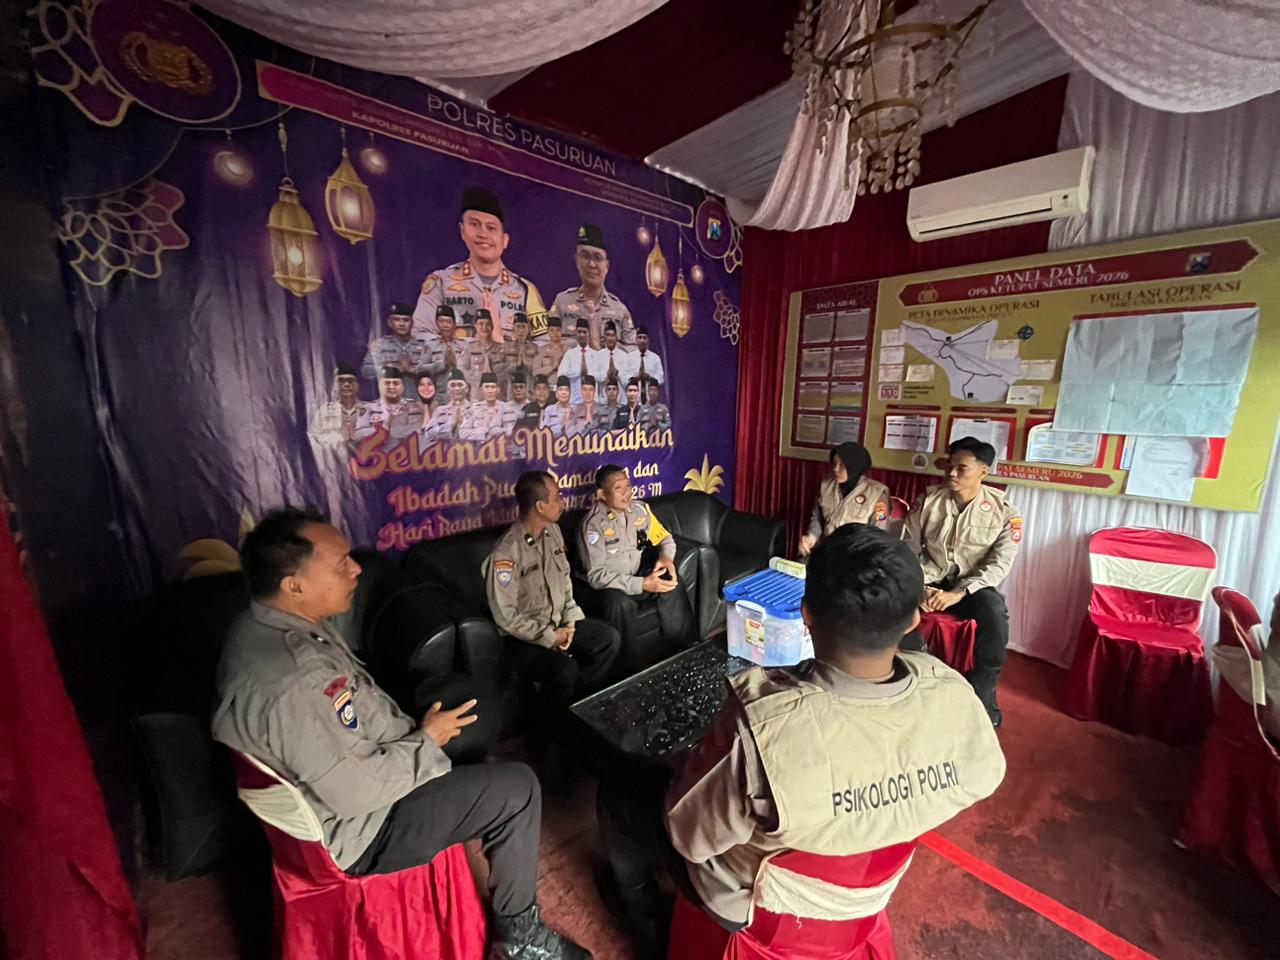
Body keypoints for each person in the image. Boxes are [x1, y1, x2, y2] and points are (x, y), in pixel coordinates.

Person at [597, 525, 1006, 956]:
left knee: (620, 784)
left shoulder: (762, 728)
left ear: (805, 614)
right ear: (913, 620)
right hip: (869, 893)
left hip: (758, 903)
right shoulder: (954, 694)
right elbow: (983, 774)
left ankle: (642, 917)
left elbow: (691, 839)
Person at [211, 511, 590, 959]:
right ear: (294, 585)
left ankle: (472, 801)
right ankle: (522, 940)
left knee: (470, 712)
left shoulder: (261, 623)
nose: (357, 569)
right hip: (365, 829)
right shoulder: (296, 680)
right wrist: (426, 741)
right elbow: (355, 793)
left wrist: (421, 735)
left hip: (360, 770)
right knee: (518, 788)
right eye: (341, 563)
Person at [902, 436, 1022, 727]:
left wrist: (958, 593)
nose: (952, 473)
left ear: (983, 471)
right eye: (949, 466)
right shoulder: (928, 500)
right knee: (892, 601)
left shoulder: (1005, 511)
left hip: (971, 586)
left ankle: (984, 689)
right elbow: (908, 549)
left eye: (961, 468)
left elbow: (999, 564)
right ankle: (923, 668)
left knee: (995, 612)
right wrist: (919, 586)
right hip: (929, 577)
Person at [484, 472, 621, 715]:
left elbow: (565, 582)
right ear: (540, 506)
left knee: (608, 639)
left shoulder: (553, 532)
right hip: (523, 638)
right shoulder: (506, 553)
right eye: (557, 497)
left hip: (558, 623)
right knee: (564, 669)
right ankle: (549, 724)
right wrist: (549, 637)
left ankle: (578, 708)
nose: (562, 502)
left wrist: (570, 622)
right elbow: (506, 617)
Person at [581, 464, 695, 666]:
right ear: (602, 494)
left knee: (669, 581)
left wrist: (666, 557)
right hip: (608, 588)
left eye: (628, 485)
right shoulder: (593, 525)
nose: (627, 492)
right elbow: (596, 575)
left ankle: (683, 648)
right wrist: (641, 584)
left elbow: (665, 539)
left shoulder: (640, 510)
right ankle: (627, 667)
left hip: (637, 576)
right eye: (618, 488)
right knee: (619, 603)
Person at [412, 186, 545, 343]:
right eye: (474, 224)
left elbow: (545, 345)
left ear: (504, 240)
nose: (483, 234)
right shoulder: (441, 282)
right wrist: (473, 346)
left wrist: (501, 343)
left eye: (491, 228)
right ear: (463, 231)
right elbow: (419, 337)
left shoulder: (525, 290)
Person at [549, 223, 636, 349]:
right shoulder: (562, 302)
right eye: (585, 256)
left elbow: (633, 352)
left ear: (607, 266)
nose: (591, 264)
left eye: (597, 258)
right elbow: (546, 344)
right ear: (577, 261)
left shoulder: (620, 310)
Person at [799, 442, 890, 557]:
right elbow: (817, 516)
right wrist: (811, 536)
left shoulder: (877, 495)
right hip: (827, 550)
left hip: (855, 555)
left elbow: (879, 533)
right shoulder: (826, 486)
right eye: (834, 463)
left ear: (855, 467)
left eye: (842, 465)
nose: (835, 469)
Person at [362, 303, 429, 381]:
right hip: (389, 388)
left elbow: (432, 371)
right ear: (389, 322)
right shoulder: (380, 345)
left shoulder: (423, 346)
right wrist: (392, 369)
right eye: (397, 319)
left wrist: (412, 369)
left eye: (406, 320)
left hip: (415, 388)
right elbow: (366, 370)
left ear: (412, 323)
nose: (401, 324)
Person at [354, 365, 422, 442]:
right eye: (387, 383)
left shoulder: (412, 407)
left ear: (403, 386)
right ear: (380, 386)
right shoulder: (368, 408)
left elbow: (417, 433)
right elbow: (359, 435)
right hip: (378, 448)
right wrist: (384, 427)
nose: (391, 386)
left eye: (396, 383)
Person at [308, 364, 366, 445]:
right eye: (341, 381)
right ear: (335, 386)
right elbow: (313, 439)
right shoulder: (324, 411)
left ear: (358, 385)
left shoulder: (368, 409)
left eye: (350, 381)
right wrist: (338, 438)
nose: (346, 384)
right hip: (333, 452)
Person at [557, 323, 607, 406]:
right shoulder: (570, 354)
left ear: (589, 334)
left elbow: (603, 376)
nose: (582, 335)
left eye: (584, 332)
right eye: (579, 332)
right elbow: (560, 373)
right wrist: (578, 373)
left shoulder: (597, 355)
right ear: (576, 333)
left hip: (592, 401)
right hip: (574, 401)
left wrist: (589, 375)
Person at [460, 372, 518, 442]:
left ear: (498, 390)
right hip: (480, 447)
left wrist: (494, 431)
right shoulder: (474, 409)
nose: (490, 391)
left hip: (502, 446)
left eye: (493, 387)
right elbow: (463, 433)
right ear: (481, 390)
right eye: (487, 387)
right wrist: (484, 432)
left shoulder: (507, 408)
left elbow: (511, 432)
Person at [423, 368, 473, 444]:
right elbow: (428, 435)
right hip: (447, 450)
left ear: (467, 389)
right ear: (448, 390)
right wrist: (451, 424)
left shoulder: (476, 408)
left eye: (460, 385)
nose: (456, 388)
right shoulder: (440, 411)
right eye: (452, 385)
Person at [423, 305, 462, 392]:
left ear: (455, 324)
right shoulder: (430, 345)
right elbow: (420, 369)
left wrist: (457, 364)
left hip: (460, 391)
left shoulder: (464, 345)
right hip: (438, 392)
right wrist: (441, 364)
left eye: (448, 322)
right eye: (441, 321)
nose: (445, 325)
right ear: (436, 323)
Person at [497, 312, 537, 396]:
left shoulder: (534, 348)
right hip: (508, 391)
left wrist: (528, 364)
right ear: (513, 328)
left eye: (524, 327)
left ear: (528, 329)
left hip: (529, 391)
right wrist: (514, 365)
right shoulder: (505, 347)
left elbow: (539, 369)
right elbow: (497, 368)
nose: (521, 330)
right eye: (518, 326)